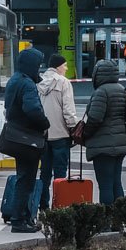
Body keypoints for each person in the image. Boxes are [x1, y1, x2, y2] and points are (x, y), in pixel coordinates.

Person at [4, 48, 50, 233]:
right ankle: (19, 220)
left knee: (23, 177)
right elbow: (32, 109)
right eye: (38, 65)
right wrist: (45, 123)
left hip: (17, 136)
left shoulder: (15, 80)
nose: (39, 69)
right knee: (26, 179)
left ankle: (21, 217)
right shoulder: (26, 83)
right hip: (27, 137)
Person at [83, 59, 126, 206]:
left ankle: (107, 219)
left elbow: (95, 118)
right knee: (116, 182)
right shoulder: (122, 89)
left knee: (105, 185)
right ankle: (119, 218)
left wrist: (85, 134)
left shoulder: (101, 92)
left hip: (103, 145)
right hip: (120, 142)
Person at [38, 54, 77, 208]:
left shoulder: (39, 82)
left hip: (44, 135)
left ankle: (43, 206)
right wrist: (73, 128)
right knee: (60, 174)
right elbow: (68, 110)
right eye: (65, 65)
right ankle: (59, 206)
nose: (66, 68)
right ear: (58, 66)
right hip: (61, 135)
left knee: (44, 173)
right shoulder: (63, 82)